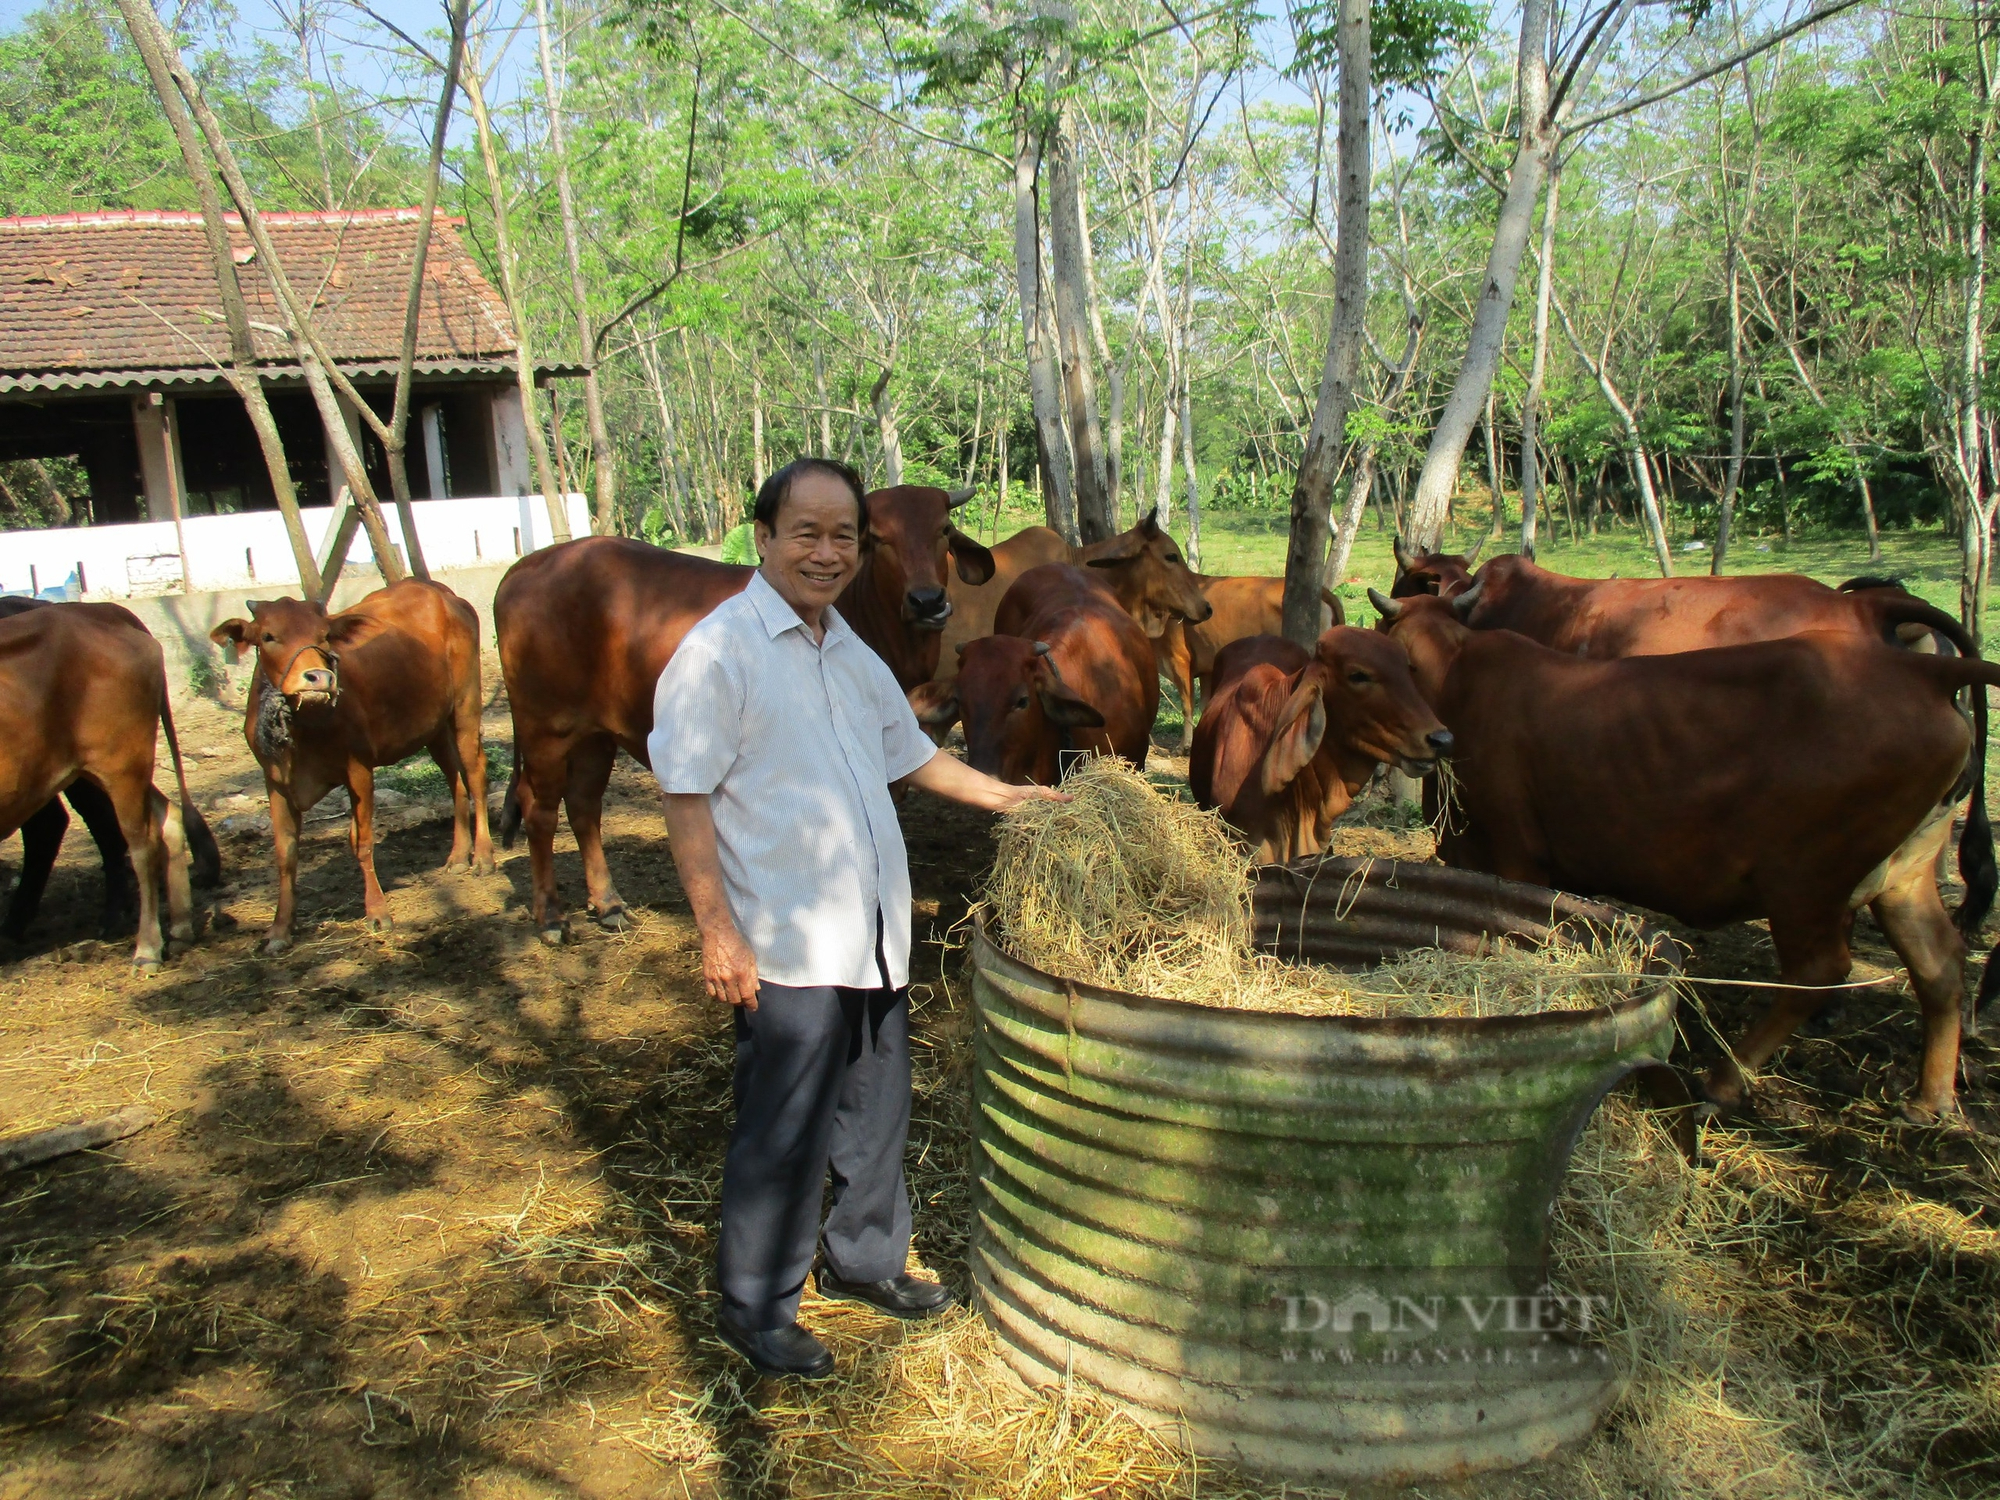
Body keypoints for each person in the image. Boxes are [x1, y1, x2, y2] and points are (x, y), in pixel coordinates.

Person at [649, 457, 1061, 1380]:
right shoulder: (719, 653)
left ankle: (865, 1260)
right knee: (783, 1126)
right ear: (763, 539)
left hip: (872, 932)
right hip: (787, 945)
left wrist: (1016, 802)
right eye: (808, 533)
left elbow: (912, 758)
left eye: (844, 536)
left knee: (876, 1109)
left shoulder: (848, 648)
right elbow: (683, 795)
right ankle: (756, 1304)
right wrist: (717, 931)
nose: (827, 553)